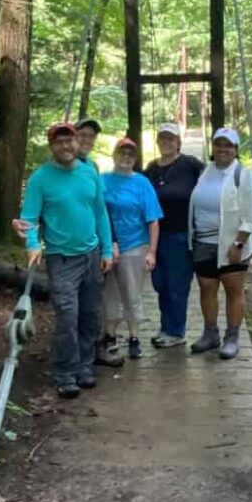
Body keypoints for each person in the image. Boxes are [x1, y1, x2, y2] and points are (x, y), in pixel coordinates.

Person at [20, 122, 113, 398]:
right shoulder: (41, 178)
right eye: (59, 142)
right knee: (67, 317)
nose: (65, 146)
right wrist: (33, 244)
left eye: (69, 140)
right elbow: (28, 219)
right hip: (61, 259)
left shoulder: (89, 173)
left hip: (92, 255)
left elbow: (100, 214)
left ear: (76, 142)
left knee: (89, 316)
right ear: (52, 147)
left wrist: (107, 250)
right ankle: (65, 372)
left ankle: (85, 367)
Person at [188, 127, 252, 360]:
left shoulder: (243, 175)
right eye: (219, 144)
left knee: (233, 290)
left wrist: (239, 244)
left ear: (236, 149)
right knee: (207, 289)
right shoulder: (205, 171)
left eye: (228, 145)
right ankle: (210, 334)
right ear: (213, 147)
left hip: (232, 245)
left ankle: (232, 337)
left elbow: (251, 216)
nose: (223, 149)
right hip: (204, 242)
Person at [100, 137, 163, 359]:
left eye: (130, 154)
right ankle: (110, 335)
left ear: (135, 159)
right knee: (109, 293)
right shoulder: (102, 180)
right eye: (122, 153)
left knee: (132, 293)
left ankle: (134, 337)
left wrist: (152, 252)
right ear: (114, 155)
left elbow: (153, 220)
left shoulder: (142, 183)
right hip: (107, 246)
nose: (125, 158)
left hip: (135, 245)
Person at [143, 123, 204, 349]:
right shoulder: (151, 168)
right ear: (158, 141)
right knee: (160, 283)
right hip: (154, 236)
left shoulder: (190, 165)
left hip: (180, 235)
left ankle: (176, 331)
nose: (166, 142)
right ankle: (166, 326)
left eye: (171, 138)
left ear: (178, 141)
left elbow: (213, 181)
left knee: (177, 285)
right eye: (163, 138)